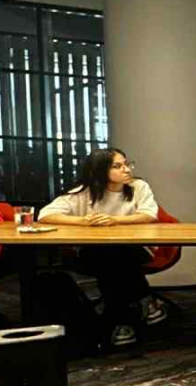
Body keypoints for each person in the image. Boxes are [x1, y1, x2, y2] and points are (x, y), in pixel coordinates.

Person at [37, 147, 159, 348]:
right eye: (117, 166)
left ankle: (121, 323)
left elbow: (149, 215)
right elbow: (45, 215)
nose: (126, 169)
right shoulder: (83, 193)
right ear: (100, 171)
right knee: (108, 257)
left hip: (136, 249)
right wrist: (82, 221)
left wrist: (114, 220)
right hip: (95, 253)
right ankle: (144, 298)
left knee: (114, 258)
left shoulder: (138, 187)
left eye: (127, 164)